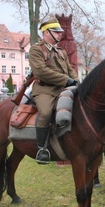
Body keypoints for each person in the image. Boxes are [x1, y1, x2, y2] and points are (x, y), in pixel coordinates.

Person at [29, 18, 79, 164]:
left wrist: (76, 81)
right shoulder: (36, 50)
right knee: (45, 112)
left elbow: (70, 70)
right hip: (45, 89)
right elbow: (40, 71)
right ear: (46, 32)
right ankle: (41, 149)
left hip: (64, 89)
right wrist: (65, 80)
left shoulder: (61, 52)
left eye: (60, 32)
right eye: (56, 32)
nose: (60, 34)